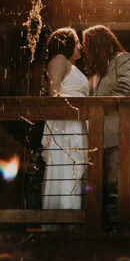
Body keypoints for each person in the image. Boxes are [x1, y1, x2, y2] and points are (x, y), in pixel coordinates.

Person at [82, 25, 130, 226]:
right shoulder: (98, 71)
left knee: (116, 190)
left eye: (87, 44)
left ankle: (119, 242)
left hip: (122, 135)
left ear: (98, 43)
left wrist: (97, 106)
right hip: (100, 140)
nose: (85, 50)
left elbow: (126, 88)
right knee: (100, 192)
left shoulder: (124, 59)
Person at [41, 27, 89, 213]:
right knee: (66, 168)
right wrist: (76, 109)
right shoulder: (59, 59)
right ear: (66, 43)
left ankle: (75, 217)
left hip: (78, 123)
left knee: (75, 168)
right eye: (77, 41)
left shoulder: (72, 66)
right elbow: (54, 94)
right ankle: (62, 217)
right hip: (66, 123)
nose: (80, 45)